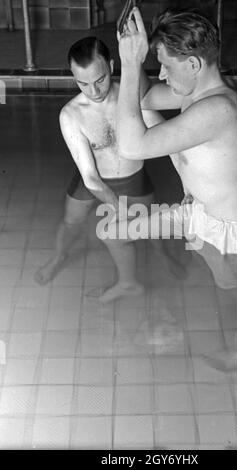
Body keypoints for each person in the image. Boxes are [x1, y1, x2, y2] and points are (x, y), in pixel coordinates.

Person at [107, 7, 237, 369]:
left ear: (194, 64)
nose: (161, 73)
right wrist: (132, 55)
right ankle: (139, 279)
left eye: (165, 64)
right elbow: (145, 99)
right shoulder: (195, 93)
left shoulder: (220, 110)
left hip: (232, 238)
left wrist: (130, 64)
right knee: (114, 232)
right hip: (196, 212)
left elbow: (132, 147)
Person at [34, 36, 178, 302]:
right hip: (93, 181)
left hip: (133, 176)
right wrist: (116, 207)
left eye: (99, 80)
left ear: (111, 65)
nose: (94, 90)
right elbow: (89, 176)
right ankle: (59, 256)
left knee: (151, 224)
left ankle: (161, 253)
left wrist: (189, 180)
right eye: (83, 83)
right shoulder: (71, 114)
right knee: (71, 221)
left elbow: (167, 138)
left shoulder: (130, 93)